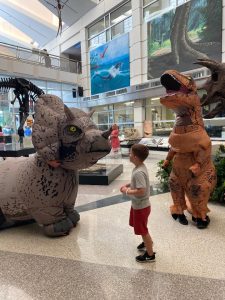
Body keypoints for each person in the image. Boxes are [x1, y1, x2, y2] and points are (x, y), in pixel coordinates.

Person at [120, 144, 155, 263]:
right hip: (139, 205)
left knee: (143, 230)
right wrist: (128, 185)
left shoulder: (138, 172)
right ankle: (147, 242)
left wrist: (127, 191)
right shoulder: (139, 167)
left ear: (135, 157)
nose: (129, 155)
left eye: (130, 153)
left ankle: (150, 254)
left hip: (141, 206)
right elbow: (138, 183)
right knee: (141, 227)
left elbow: (141, 190)